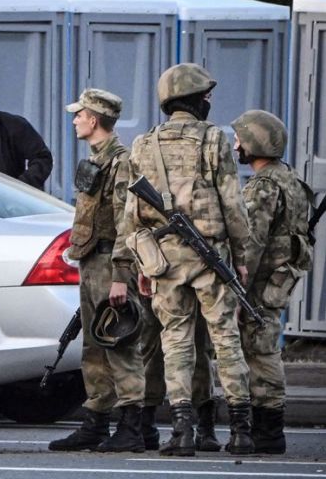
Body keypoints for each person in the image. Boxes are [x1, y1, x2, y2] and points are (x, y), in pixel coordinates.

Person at [113, 63, 255, 457]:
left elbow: (132, 212)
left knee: (175, 342)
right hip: (211, 258)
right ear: (194, 101)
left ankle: (182, 432)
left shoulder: (143, 143)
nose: (209, 102)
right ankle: (241, 430)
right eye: (205, 96)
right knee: (225, 339)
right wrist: (241, 257)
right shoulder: (214, 140)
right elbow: (233, 203)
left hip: (164, 259)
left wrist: (135, 264)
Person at [48, 89, 145, 453]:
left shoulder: (121, 163)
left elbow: (128, 221)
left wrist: (122, 275)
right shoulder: (97, 159)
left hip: (110, 263)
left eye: (79, 115)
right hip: (91, 262)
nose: (74, 120)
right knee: (93, 346)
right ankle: (96, 422)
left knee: (118, 343)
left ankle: (132, 426)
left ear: (94, 119)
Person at [233, 109, 313, 455]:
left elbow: (251, 243)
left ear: (255, 144)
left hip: (262, 281)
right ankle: (266, 427)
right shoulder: (290, 178)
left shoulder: (263, 186)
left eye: (240, 139)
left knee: (260, 351)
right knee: (263, 346)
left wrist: (238, 291)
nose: (235, 144)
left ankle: (268, 430)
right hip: (280, 278)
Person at [139, 302, 221, 451]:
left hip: (162, 284)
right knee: (199, 347)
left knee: (154, 346)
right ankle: (205, 429)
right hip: (200, 284)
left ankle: (148, 426)